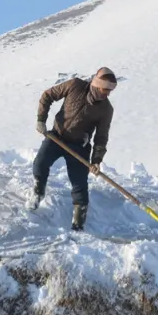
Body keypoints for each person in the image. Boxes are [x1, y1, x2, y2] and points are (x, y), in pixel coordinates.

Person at [31, 67, 117, 231]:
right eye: (105, 89)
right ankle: (38, 192)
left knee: (79, 185)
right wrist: (41, 120)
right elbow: (47, 96)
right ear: (97, 84)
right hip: (56, 137)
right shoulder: (74, 85)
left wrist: (96, 160)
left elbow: (101, 136)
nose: (107, 94)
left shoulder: (106, 109)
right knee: (40, 164)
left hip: (80, 146)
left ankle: (78, 223)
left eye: (110, 91)